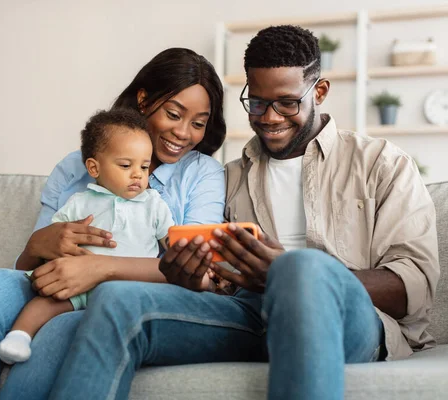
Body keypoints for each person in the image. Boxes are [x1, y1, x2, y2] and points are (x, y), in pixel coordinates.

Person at [45, 25, 440, 400]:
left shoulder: (381, 163)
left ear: (318, 91)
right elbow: (219, 281)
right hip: (249, 317)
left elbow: (415, 286)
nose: (269, 117)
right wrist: (189, 274)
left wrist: (286, 275)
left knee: (300, 269)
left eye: (287, 102)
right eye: (257, 102)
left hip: (349, 319)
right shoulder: (230, 176)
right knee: (117, 300)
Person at [0, 47, 227, 399]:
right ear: (143, 99)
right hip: (53, 285)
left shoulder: (202, 175)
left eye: (198, 123)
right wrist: (39, 244)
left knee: (69, 325)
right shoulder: (75, 166)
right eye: (173, 114)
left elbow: (199, 271)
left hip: (124, 298)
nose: (184, 132)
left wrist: (99, 268)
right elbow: (27, 267)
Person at [0, 108, 175, 365]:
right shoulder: (80, 202)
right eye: (126, 165)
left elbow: (172, 240)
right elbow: (55, 238)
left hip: (130, 288)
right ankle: (19, 336)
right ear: (94, 167)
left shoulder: (153, 204)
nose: (138, 174)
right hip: (78, 285)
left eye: (145, 166)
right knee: (44, 303)